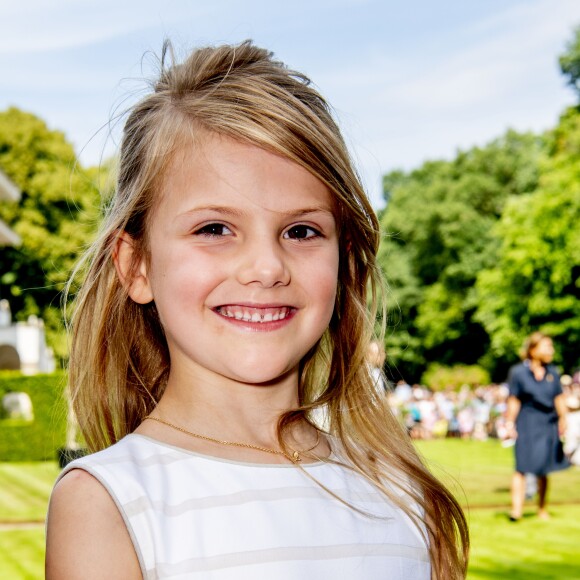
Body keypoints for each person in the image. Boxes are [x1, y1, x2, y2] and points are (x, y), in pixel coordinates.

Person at [45, 40, 468, 579]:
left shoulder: (402, 493)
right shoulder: (110, 505)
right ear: (137, 267)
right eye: (214, 229)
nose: (267, 267)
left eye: (301, 230)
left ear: (344, 260)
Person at [504, 332, 570, 521]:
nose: (551, 350)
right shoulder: (518, 372)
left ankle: (542, 508)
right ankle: (516, 510)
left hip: (548, 424)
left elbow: (558, 398)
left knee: (543, 468)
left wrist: (563, 419)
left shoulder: (553, 372)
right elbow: (514, 399)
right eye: (547, 346)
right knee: (521, 466)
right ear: (533, 350)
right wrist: (510, 423)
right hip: (526, 423)